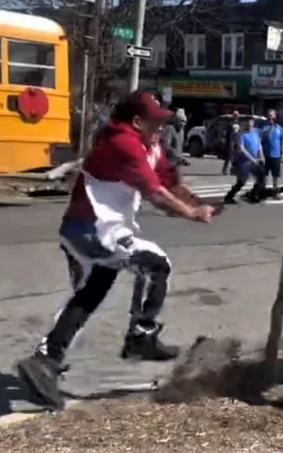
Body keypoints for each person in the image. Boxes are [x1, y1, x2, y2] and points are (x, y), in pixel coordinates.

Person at [15, 91, 215, 411]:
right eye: (156, 122)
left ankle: (46, 360)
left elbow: (167, 181)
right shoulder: (123, 143)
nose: (161, 128)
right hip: (95, 231)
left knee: (89, 295)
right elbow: (155, 194)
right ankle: (141, 336)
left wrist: (198, 202)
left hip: (90, 231)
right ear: (137, 122)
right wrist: (191, 214)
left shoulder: (149, 145)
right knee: (156, 265)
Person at [223, 117, 266, 204]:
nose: (250, 125)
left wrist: (262, 157)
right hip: (243, 162)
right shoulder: (241, 135)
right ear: (245, 124)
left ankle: (254, 194)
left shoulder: (255, 134)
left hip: (254, 160)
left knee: (261, 177)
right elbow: (242, 149)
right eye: (248, 123)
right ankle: (229, 196)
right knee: (242, 181)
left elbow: (259, 147)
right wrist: (252, 159)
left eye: (251, 123)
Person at [261, 109, 283, 199]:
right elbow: (260, 141)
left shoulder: (279, 128)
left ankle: (275, 192)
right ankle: (263, 192)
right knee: (264, 175)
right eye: (268, 115)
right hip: (266, 155)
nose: (270, 117)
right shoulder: (264, 128)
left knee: (275, 176)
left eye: (271, 115)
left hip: (276, 155)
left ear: (275, 116)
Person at [222, 111, 240, 175]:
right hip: (230, 141)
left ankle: (234, 170)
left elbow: (239, 132)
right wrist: (225, 140)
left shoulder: (239, 123)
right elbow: (226, 133)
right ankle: (225, 170)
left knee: (236, 157)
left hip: (236, 141)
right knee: (229, 157)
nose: (236, 116)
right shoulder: (230, 123)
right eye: (235, 115)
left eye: (237, 115)